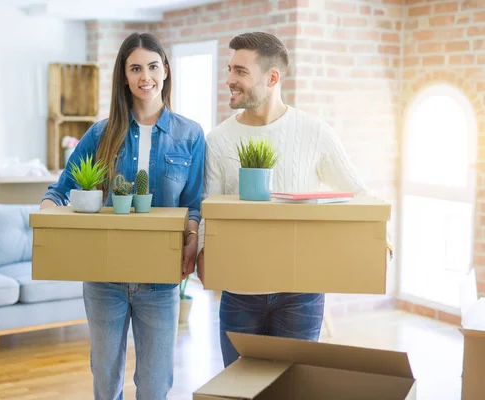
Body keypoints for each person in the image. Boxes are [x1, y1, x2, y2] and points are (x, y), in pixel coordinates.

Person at [195, 31, 393, 368]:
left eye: (240, 72)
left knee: (292, 388)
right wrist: (202, 250)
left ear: (272, 78)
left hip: (301, 295)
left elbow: (359, 192)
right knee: (240, 388)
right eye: (229, 70)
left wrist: (382, 238)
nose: (229, 80)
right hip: (240, 292)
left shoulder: (315, 133)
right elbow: (208, 209)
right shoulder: (218, 139)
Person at [41, 32, 205, 400]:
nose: (145, 76)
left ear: (165, 69)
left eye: (152, 66)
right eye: (135, 68)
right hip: (104, 279)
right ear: (124, 77)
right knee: (105, 380)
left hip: (160, 282)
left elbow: (194, 204)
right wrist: (49, 223)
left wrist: (192, 241)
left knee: (155, 384)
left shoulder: (190, 135)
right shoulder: (101, 133)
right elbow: (59, 189)